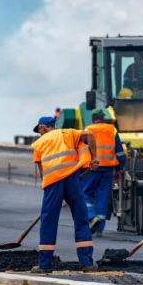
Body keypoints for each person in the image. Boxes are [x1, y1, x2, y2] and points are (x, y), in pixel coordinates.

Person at [30, 116, 100, 273]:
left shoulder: (39, 144)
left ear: (42, 128)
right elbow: (89, 135)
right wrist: (94, 157)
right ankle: (87, 263)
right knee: (81, 219)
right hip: (72, 179)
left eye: (39, 131)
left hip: (53, 182)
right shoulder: (67, 133)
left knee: (48, 221)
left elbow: (42, 173)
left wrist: (51, 194)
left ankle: (44, 265)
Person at [78, 109, 126, 237]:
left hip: (91, 168)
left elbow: (81, 150)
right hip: (108, 169)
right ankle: (99, 230)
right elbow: (120, 152)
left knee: (84, 193)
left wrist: (79, 168)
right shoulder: (112, 130)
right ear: (103, 118)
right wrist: (119, 169)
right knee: (102, 197)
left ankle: (92, 216)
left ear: (93, 119)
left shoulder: (87, 129)